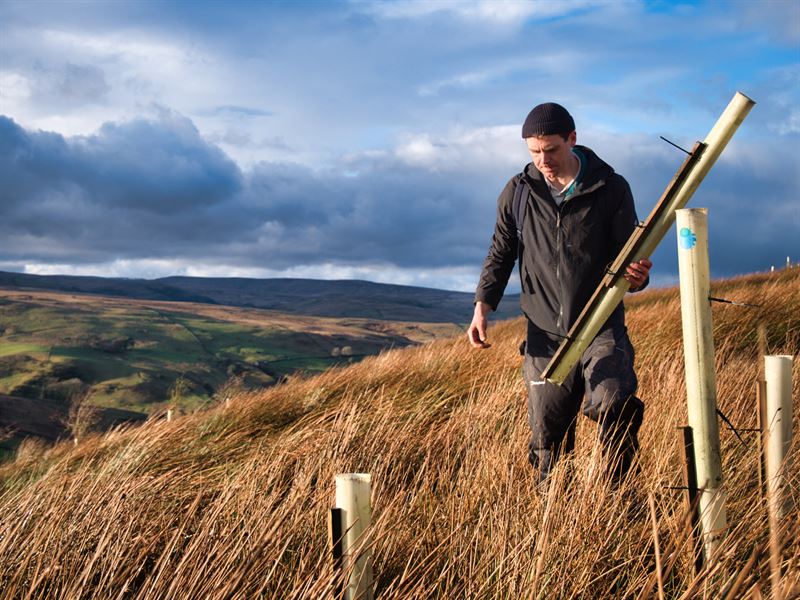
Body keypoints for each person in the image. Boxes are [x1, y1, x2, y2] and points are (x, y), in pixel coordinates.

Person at [467, 102, 652, 485]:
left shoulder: (610, 188)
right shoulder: (518, 192)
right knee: (548, 438)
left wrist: (637, 277)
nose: (543, 160)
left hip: (600, 323)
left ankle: (620, 500)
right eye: (534, 152)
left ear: (572, 139)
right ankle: (554, 515)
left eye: (551, 149)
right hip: (543, 333)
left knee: (615, 403)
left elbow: (630, 259)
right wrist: (482, 307)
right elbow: (500, 253)